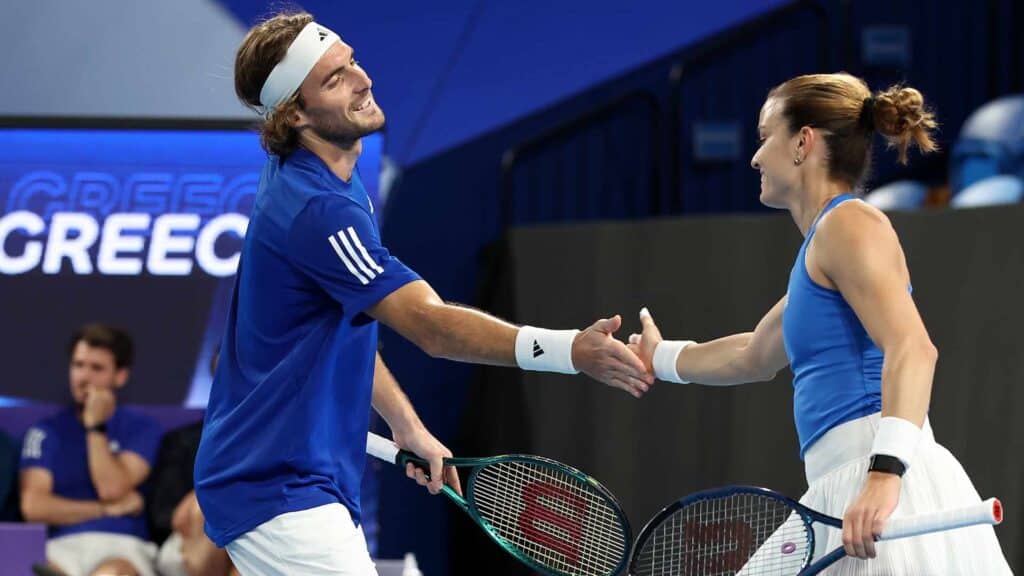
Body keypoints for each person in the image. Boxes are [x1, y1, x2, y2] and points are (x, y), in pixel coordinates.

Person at [194, 11, 651, 575]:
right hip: (276, 486)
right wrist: (568, 351)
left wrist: (406, 425)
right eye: (335, 79)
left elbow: (341, 329)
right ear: (294, 113)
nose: (362, 80)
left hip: (297, 475)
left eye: (352, 61)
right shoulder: (319, 210)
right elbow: (431, 327)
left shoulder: (319, 171)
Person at [628, 73, 1011, 573]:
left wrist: (885, 474)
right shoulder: (826, 245)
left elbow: (914, 348)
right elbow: (753, 354)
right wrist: (658, 356)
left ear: (802, 142)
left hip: (879, 476)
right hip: (847, 483)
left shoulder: (849, 224)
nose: (755, 157)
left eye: (765, 136)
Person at [20, 325, 164, 576]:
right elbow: (34, 507)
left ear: (120, 376)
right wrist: (106, 509)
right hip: (60, 546)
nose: (83, 377)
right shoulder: (45, 432)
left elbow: (111, 488)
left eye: (97, 368)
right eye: (78, 365)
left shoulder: (142, 428)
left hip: (122, 545)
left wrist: (95, 427)